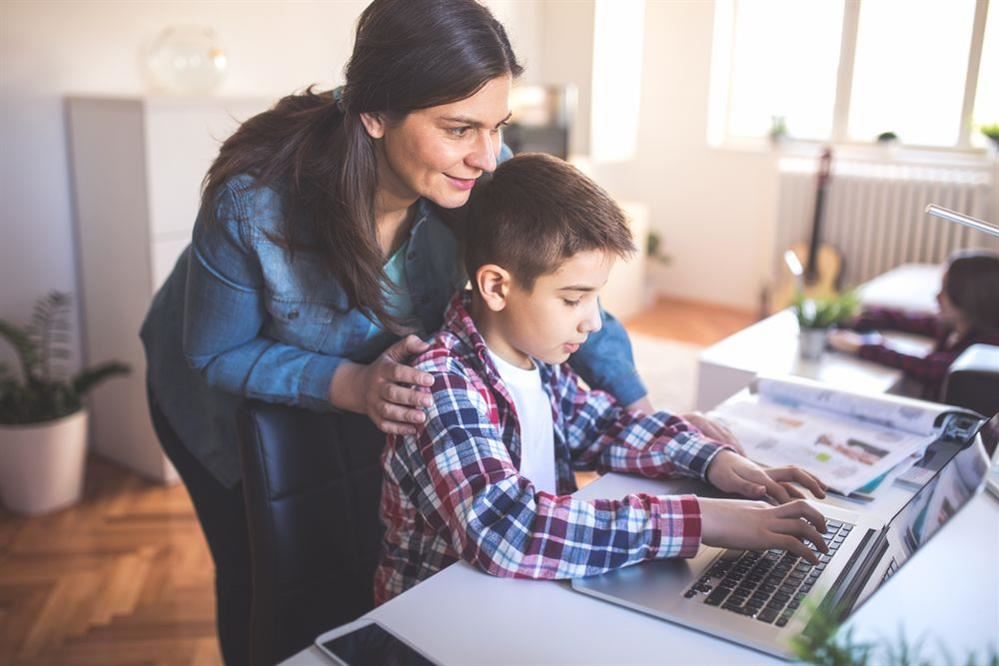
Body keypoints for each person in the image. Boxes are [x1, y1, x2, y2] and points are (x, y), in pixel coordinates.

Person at [139, 1, 725, 662]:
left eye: (497, 125)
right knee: (262, 576)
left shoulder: (475, 175)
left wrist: (639, 412)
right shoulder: (255, 205)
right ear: (375, 114)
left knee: (356, 552)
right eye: (458, 128)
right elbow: (214, 350)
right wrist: (350, 383)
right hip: (219, 398)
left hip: (371, 389)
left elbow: (559, 291)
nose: (486, 156)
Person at [375, 153, 830, 604]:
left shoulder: (538, 362)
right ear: (496, 287)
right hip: (442, 616)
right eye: (574, 299)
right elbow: (510, 532)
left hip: (531, 592)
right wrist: (702, 519)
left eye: (597, 297)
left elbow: (605, 426)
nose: (593, 322)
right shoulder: (439, 384)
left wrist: (717, 462)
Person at [828, 250, 999, 399]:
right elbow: (912, 321)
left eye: (945, 290)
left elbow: (931, 367)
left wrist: (862, 346)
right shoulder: (959, 325)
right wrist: (861, 318)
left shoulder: (986, 348)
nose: (936, 296)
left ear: (968, 297)